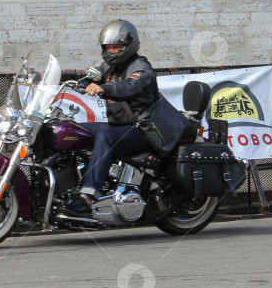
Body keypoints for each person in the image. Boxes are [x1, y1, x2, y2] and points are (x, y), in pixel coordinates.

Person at [62, 19, 185, 217]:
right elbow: (91, 76)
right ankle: (59, 188)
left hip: (145, 130)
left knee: (106, 138)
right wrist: (76, 79)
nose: (111, 51)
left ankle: (88, 196)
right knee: (70, 129)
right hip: (119, 125)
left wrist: (104, 88)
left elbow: (130, 86)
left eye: (116, 47)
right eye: (108, 48)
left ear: (128, 46)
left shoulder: (141, 68)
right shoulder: (108, 67)